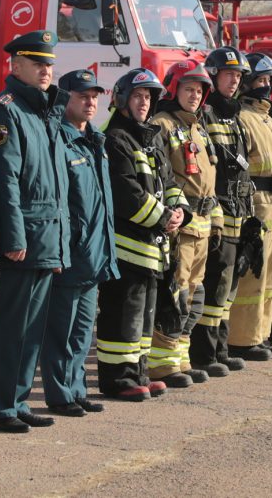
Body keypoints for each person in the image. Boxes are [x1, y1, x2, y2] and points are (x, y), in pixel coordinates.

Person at [0, 30, 71, 432]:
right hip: (25, 239)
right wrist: (14, 238)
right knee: (10, 328)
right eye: (38, 63)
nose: (46, 71)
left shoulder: (44, 111)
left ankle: (17, 401)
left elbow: (56, 186)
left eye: (49, 64)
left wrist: (61, 242)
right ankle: (0, 407)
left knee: (32, 329)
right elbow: (6, 181)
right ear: (15, 66)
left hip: (46, 235)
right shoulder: (6, 110)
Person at [98, 68, 187, 401]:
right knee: (122, 316)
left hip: (152, 247)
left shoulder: (151, 137)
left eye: (148, 97)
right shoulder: (116, 138)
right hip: (127, 247)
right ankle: (116, 379)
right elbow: (126, 193)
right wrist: (163, 218)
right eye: (137, 96)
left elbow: (171, 182)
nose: (143, 103)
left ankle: (139, 372)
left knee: (143, 316)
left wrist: (179, 211)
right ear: (122, 100)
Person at [40, 70, 119, 417]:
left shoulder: (95, 139)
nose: (90, 103)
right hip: (72, 252)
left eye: (94, 97)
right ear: (66, 98)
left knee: (82, 330)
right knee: (61, 330)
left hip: (94, 252)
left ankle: (77, 389)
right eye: (82, 96)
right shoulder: (59, 139)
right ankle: (59, 395)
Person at [149, 60, 219, 387]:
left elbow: (209, 179)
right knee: (175, 294)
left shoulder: (197, 127)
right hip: (180, 224)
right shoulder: (161, 124)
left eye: (199, 90)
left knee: (194, 295)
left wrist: (215, 221)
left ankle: (182, 358)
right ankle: (163, 365)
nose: (194, 95)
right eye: (188, 88)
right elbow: (159, 177)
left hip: (202, 225)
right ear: (174, 88)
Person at [191, 47, 252, 376]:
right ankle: (204, 353)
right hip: (217, 211)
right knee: (214, 282)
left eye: (239, 75)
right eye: (229, 74)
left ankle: (221, 348)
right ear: (213, 76)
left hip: (239, 211)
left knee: (229, 285)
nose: (234, 80)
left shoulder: (234, 116)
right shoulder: (207, 114)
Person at [227, 53, 272, 361]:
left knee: (268, 281)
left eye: (269, 81)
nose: (266, 86)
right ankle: (242, 339)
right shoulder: (242, 117)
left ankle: (261, 334)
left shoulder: (269, 118)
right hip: (256, 206)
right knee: (252, 278)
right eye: (261, 80)